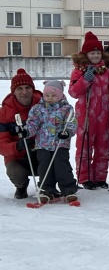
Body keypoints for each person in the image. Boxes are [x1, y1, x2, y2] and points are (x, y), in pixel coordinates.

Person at [68, 31, 109, 190]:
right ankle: (85, 177)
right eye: (91, 53)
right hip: (86, 116)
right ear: (85, 54)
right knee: (85, 146)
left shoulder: (106, 71)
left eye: (97, 52)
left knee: (103, 147)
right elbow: (73, 92)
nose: (95, 55)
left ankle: (100, 177)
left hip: (104, 116)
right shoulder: (79, 71)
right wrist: (84, 80)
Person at [22, 80, 78, 203]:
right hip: (43, 144)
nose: (50, 98)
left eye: (54, 95)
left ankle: (68, 190)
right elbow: (33, 123)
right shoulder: (37, 109)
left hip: (60, 144)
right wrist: (27, 131)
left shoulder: (66, 109)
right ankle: (47, 190)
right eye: (47, 95)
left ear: (60, 96)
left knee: (61, 166)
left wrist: (67, 132)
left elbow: (72, 122)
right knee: (44, 167)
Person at [0, 68, 42, 198]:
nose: (24, 92)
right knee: (14, 170)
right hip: (19, 156)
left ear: (32, 89)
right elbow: (2, 145)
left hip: (42, 153)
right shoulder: (4, 113)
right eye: (20, 89)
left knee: (58, 159)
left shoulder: (43, 105)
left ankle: (47, 186)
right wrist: (18, 146)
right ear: (13, 92)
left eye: (27, 87)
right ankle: (21, 186)